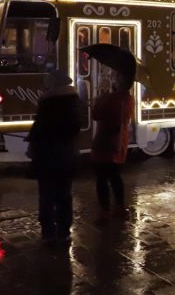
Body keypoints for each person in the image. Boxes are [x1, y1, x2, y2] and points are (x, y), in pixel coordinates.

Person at [27, 70, 82, 244]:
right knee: (65, 195)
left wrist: (32, 140)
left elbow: (40, 131)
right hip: (67, 156)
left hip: (47, 157)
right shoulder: (74, 102)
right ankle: (64, 231)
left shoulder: (48, 104)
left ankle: (49, 233)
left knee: (47, 196)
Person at [91, 71, 135, 223]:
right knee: (116, 177)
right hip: (119, 142)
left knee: (102, 178)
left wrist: (98, 100)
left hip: (104, 142)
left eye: (116, 78)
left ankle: (104, 211)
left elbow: (96, 115)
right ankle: (120, 207)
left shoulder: (110, 99)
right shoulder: (129, 99)